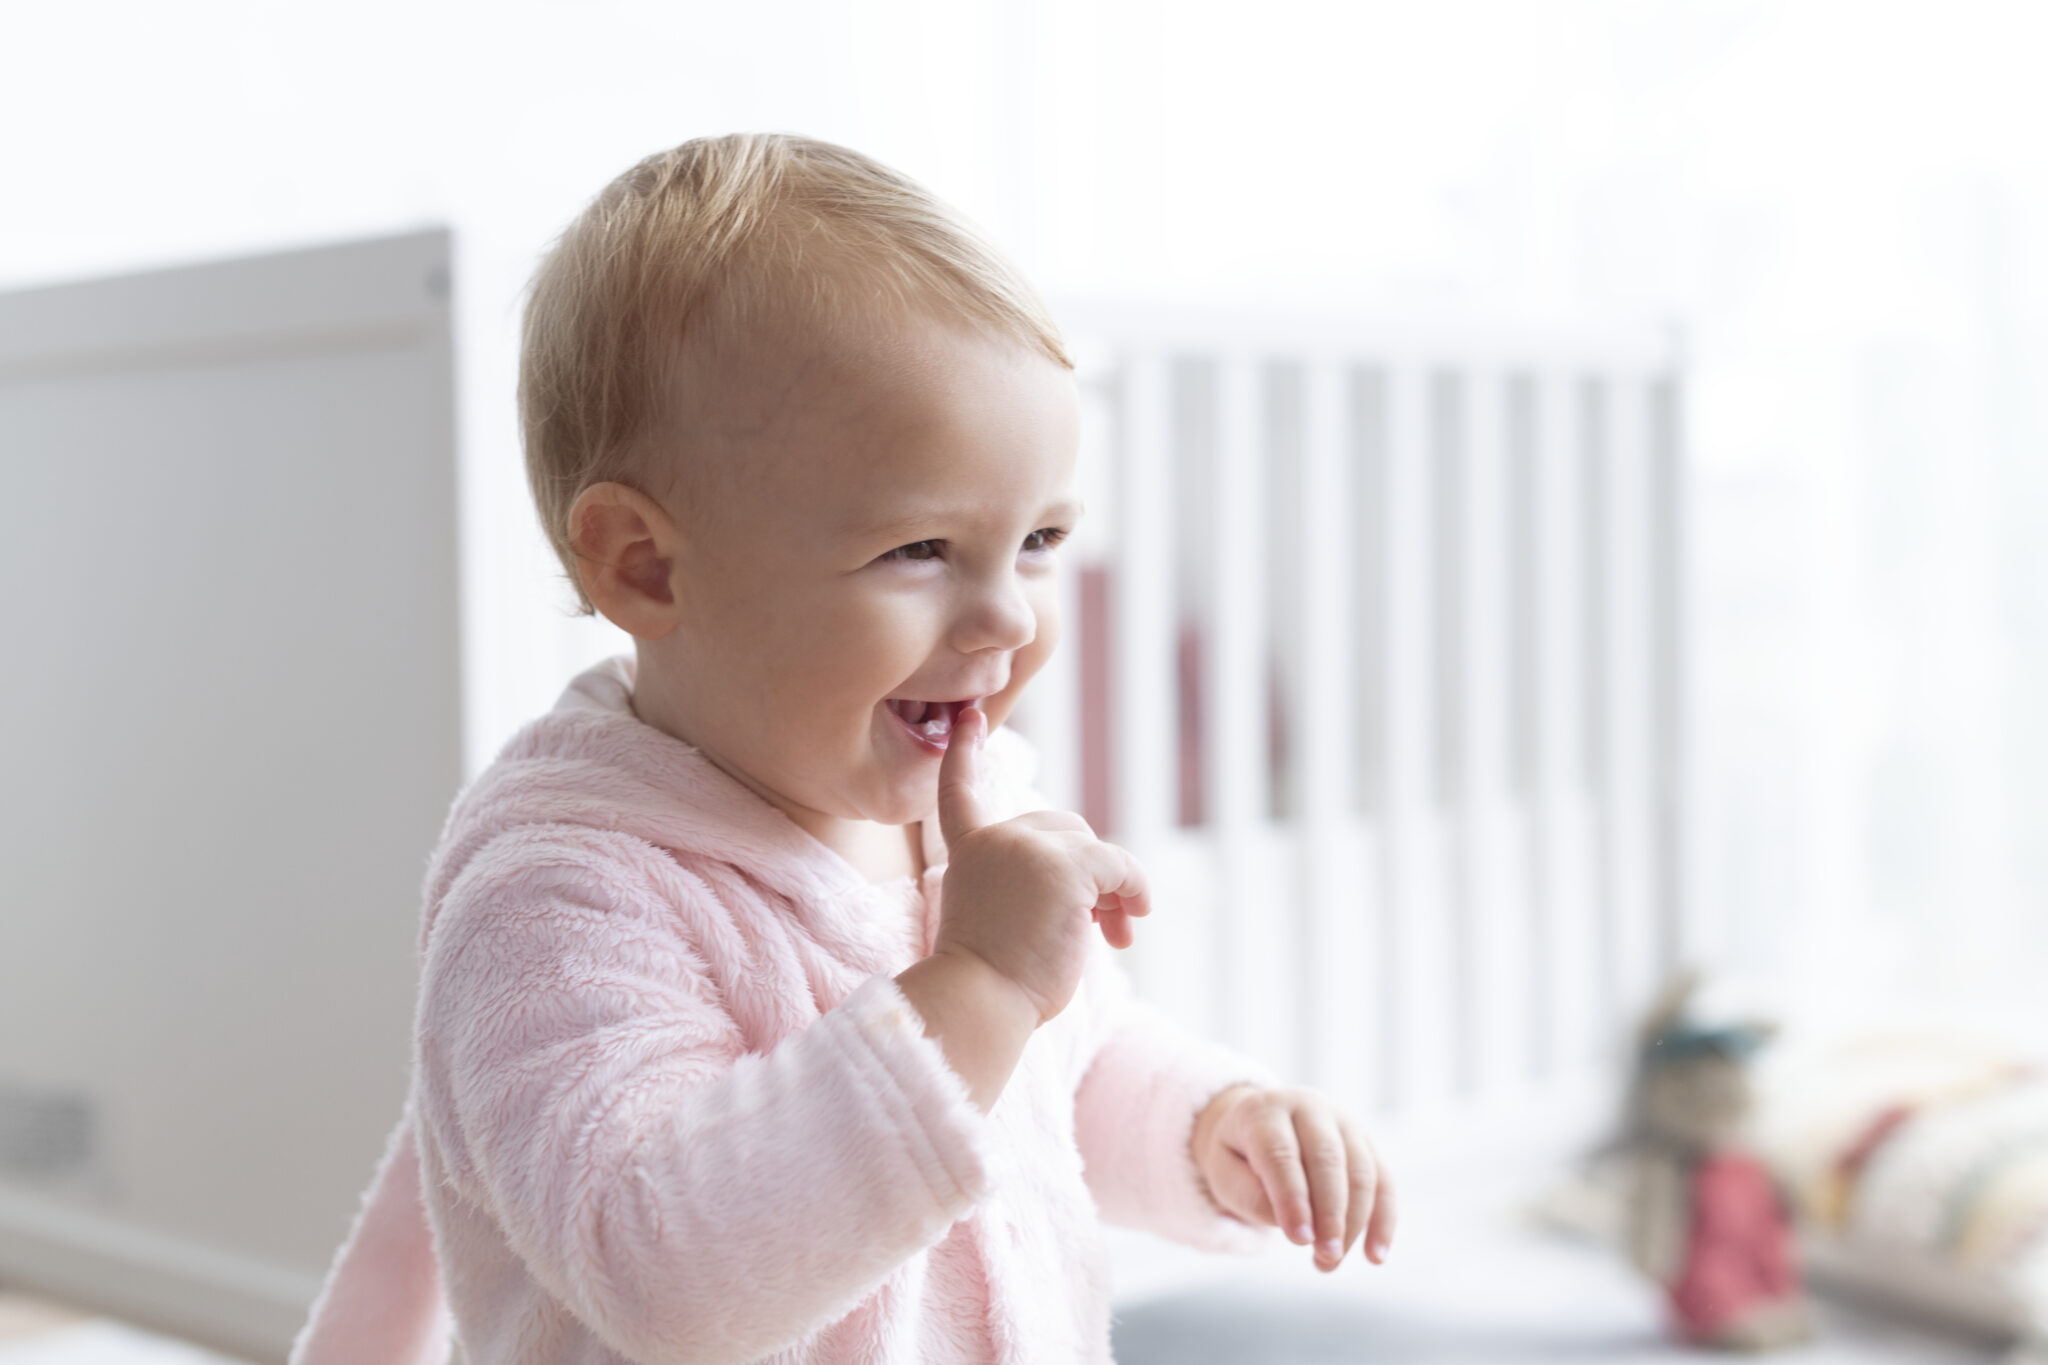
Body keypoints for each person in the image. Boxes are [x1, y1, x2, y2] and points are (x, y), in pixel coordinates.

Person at [290, 132, 1396, 1365]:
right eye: (919, 550)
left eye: (1037, 539)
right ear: (646, 566)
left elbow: (1066, 1069)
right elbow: (666, 1279)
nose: (1008, 618)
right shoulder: (561, 900)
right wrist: (974, 981)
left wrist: (1211, 1127)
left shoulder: (965, 806)